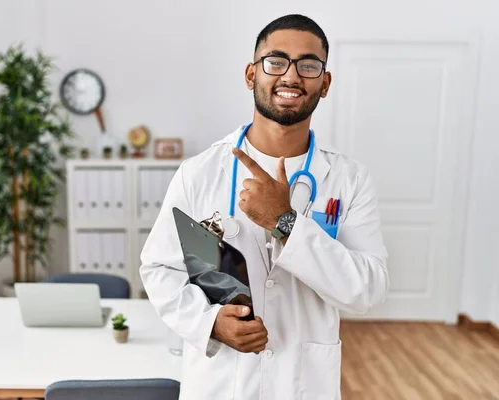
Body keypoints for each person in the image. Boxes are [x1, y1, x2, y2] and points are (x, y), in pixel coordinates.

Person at [139, 14, 389, 399]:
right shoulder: (200, 173)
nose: (291, 76)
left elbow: (367, 289)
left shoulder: (348, 179)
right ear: (251, 74)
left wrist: (284, 221)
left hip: (303, 382)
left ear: (325, 84)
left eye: (309, 65)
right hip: (221, 380)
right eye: (276, 61)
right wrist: (210, 324)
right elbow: (159, 268)